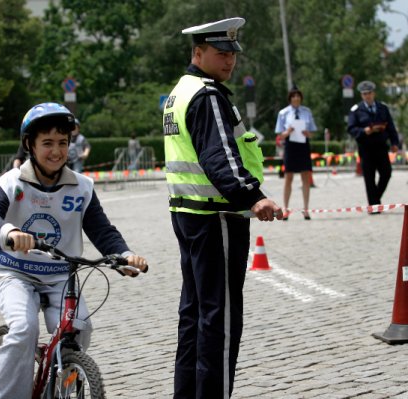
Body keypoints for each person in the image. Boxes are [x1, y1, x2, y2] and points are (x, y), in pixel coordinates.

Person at [0, 102, 148, 398]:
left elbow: (102, 229)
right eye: (47, 143)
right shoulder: (12, 181)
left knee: (78, 330)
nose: (56, 151)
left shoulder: (82, 186)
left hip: (61, 276)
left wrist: (123, 255)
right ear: (29, 145)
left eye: (62, 143)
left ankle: (61, 386)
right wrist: (11, 232)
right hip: (14, 272)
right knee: (23, 329)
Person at [163, 17, 282, 398]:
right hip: (216, 218)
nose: (229, 61)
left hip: (188, 215)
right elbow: (220, 159)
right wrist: (253, 196)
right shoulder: (208, 95)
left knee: (195, 315)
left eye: (232, 54)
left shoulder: (179, 92)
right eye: (220, 53)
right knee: (221, 320)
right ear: (198, 53)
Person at [348, 80, 400, 212]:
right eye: (365, 94)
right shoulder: (357, 110)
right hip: (366, 148)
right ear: (361, 95)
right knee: (369, 177)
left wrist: (395, 143)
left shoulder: (383, 108)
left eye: (369, 93)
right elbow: (351, 129)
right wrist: (363, 131)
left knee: (386, 173)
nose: (367, 96)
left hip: (381, 147)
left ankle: (375, 200)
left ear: (374, 93)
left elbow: (391, 127)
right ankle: (374, 206)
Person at [275, 86, 318, 220]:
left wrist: (308, 133)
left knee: (306, 176)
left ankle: (306, 210)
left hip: (303, 145)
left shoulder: (307, 111)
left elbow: (312, 132)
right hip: (290, 146)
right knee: (289, 178)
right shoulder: (283, 113)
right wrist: (287, 132)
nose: (296, 98)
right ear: (290, 98)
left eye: (298, 96)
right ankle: (286, 209)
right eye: (293, 96)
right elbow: (279, 135)